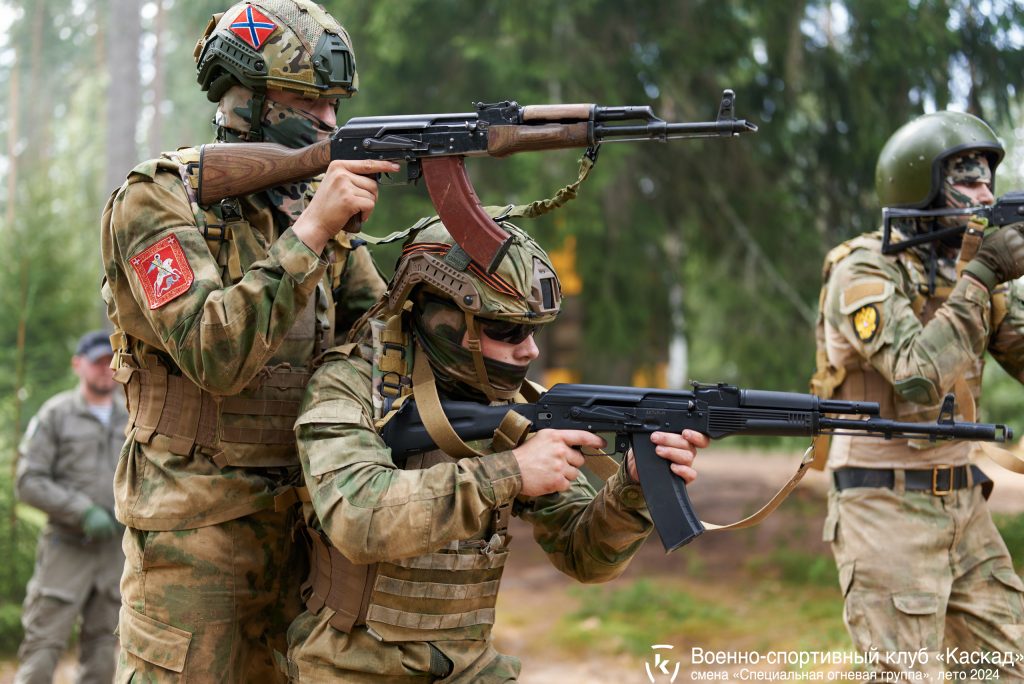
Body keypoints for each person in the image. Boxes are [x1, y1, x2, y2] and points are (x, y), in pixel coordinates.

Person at [99, 1, 399, 680]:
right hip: (193, 550)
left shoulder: (310, 210)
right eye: (309, 100)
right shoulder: (159, 201)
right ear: (250, 99)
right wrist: (313, 233)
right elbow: (215, 354)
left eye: (335, 105)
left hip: (303, 535)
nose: (330, 122)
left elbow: (382, 337)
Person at [284, 217, 708, 681]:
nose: (530, 352)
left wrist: (632, 489)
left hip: (470, 668)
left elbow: (583, 554)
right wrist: (509, 472)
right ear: (444, 318)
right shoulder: (347, 385)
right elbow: (358, 516)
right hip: (350, 665)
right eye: (506, 332)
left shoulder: (507, 404)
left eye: (532, 332)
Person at [812, 110, 1024, 678]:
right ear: (922, 189)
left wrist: (989, 275)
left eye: (988, 180)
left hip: (963, 508)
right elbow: (916, 376)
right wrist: (983, 275)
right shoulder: (862, 268)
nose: (986, 193)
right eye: (969, 181)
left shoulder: (968, 271)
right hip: (883, 506)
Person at [14, 331, 128, 684]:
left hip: (115, 553)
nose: (105, 369)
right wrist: (81, 510)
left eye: (110, 362)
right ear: (77, 364)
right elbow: (28, 481)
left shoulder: (133, 417)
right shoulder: (56, 415)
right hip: (66, 550)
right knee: (42, 648)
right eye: (96, 362)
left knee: (102, 656)